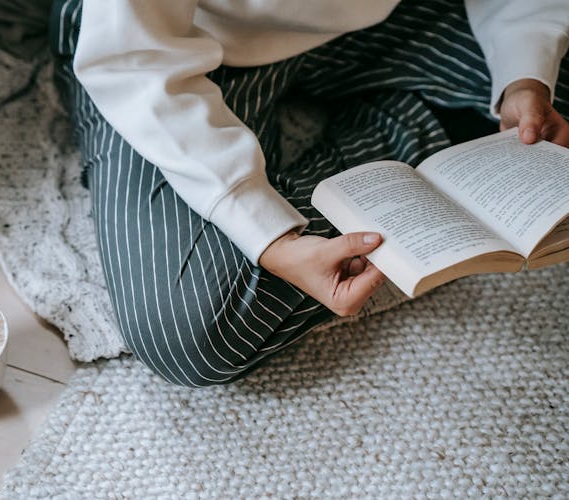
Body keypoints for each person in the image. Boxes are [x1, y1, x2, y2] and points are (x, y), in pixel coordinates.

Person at [49, 0, 569, 387]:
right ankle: (420, 157)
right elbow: (132, 57)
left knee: (546, 104)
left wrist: (525, 73)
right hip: (173, 43)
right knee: (196, 332)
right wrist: (267, 235)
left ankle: (412, 159)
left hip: (372, 18)